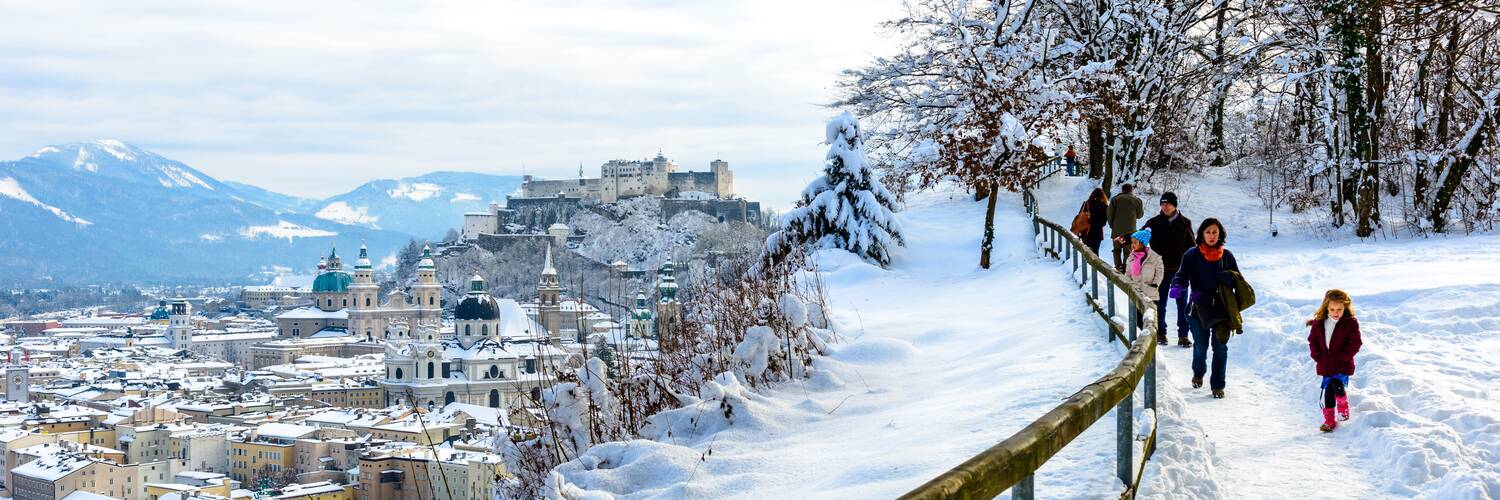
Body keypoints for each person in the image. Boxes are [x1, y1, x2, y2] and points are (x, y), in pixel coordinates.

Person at [1170, 218, 1239, 398]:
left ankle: (1218, 385)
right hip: (1198, 307)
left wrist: (1227, 278)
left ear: (1220, 234)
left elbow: (1237, 280)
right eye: (1208, 232)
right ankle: (1198, 373)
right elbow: (1181, 275)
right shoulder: (1192, 254)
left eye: (1215, 232)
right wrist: (1177, 286)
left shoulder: (1227, 256)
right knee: (1201, 346)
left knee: (1220, 347)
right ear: (1202, 234)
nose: (1211, 236)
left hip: (1221, 308)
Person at [1140, 192, 1195, 347]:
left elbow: (1192, 247)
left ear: (1174, 205)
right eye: (1162, 204)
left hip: (1179, 273)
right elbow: (1140, 237)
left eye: (1168, 204)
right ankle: (1161, 332)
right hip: (1161, 271)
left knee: (1182, 303)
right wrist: (1126, 237)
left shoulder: (1185, 223)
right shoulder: (1154, 223)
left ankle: (1183, 335)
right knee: (1160, 302)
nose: (1165, 207)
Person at [1307, 289, 1362, 432]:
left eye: (1339, 309)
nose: (1336, 313)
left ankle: (1343, 407)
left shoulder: (1350, 323)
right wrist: (1317, 355)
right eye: (1332, 309)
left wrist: (1344, 357)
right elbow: (1312, 340)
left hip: (1342, 362)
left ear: (1345, 308)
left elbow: (1356, 342)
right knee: (1329, 392)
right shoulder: (1319, 323)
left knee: (1336, 383)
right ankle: (1329, 421)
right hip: (1326, 363)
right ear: (1326, 307)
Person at [1123, 229, 1164, 336]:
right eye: (1132, 242)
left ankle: (1154, 340)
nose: (1132, 245)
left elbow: (1160, 271)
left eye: (1135, 242)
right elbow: (1128, 272)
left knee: (1150, 320)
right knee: (1138, 320)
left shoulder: (1154, 257)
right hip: (1136, 292)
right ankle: (1139, 340)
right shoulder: (1131, 256)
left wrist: (1155, 284)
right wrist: (1128, 283)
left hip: (1150, 293)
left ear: (1142, 243)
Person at [1108, 184, 1146, 273]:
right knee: (1128, 251)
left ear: (1122, 190)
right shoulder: (1137, 200)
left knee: (1116, 249)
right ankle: (1125, 268)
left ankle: (1118, 266)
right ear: (1131, 190)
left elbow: (1109, 214)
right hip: (1130, 230)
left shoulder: (1115, 199)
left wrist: (1111, 224)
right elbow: (1140, 215)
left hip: (1116, 230)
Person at [1083, 188, 1109, 255]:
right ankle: (1094, 265)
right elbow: (1104, 222)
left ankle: (1085, 265)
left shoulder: (1087, 203)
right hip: (1098, 231)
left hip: (1087, 231)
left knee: (1086, 252)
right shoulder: (1105, 206)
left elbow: (1082, 215)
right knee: (1095, 252)